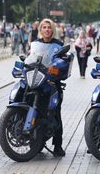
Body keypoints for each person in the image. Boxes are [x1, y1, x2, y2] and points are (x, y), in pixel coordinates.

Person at [35, 18, 70, 157]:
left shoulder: (58, 45)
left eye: (49, 27)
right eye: (44, 27)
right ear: (40, 30)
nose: (47, 30)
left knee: (55, 113)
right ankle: (36, 141)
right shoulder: (36, 44)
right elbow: (30, 58)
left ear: (53, 29)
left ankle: (58, 145)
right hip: (36, 82)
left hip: (52, 84)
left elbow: (64, 64)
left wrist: (57, 69)